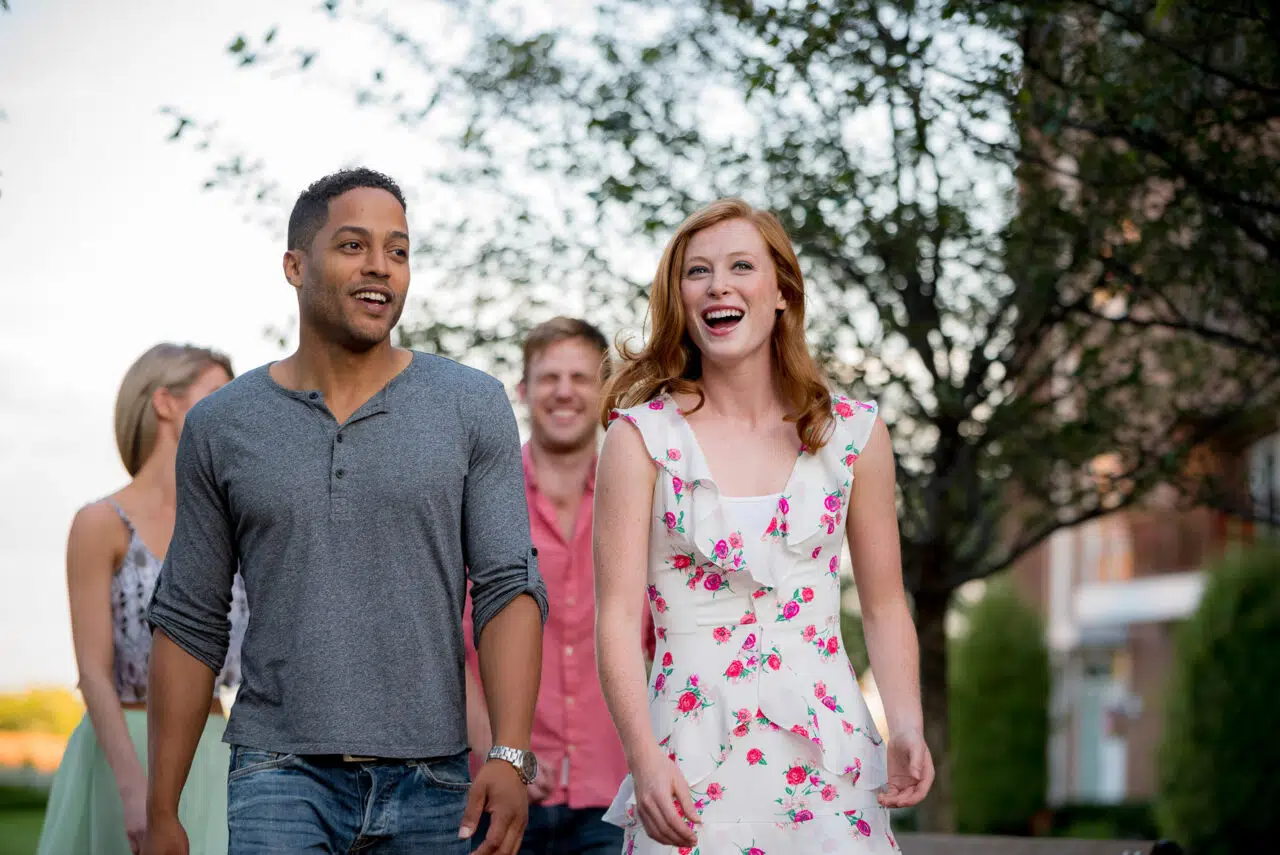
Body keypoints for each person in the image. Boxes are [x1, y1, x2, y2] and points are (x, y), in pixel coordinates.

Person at [142, 167, 549, 855]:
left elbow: (508, 583)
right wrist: (161, 808)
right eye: (354, 245)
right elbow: (190, 616)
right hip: (278, 773)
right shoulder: (222, 424)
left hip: (434, 779)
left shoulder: (471, 405)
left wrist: (508, 754)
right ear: (295, 266)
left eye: (398, 249)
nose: (381, 268)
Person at [593, 198, 934, 853]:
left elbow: (887, 603)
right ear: (680, 297)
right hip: (685, 770)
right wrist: (642, 754)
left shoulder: (855, 435)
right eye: (698, 272)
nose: (718, 284)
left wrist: (908, 725)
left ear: (780, 291)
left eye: (740, 265)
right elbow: (614, 617)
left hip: (831, 769)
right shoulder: (639, 439)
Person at [36, 343, 247, 855]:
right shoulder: (100, 524)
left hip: (215, 753)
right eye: (216, 394)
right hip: (121, 757)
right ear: (164, 402)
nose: (232, 411)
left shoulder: (234, 527)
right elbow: (92, 672)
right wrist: (135, 790)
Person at [462, 317, 655, 855]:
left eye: (581, 377)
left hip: (616, 793)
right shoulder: (478, 499)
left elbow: (664, 641)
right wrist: (501, 751)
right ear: (523, 390)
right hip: (496, 796)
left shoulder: (647, 501)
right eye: (549, 378)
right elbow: (450, 649)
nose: (565, 392)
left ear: (605, 390)